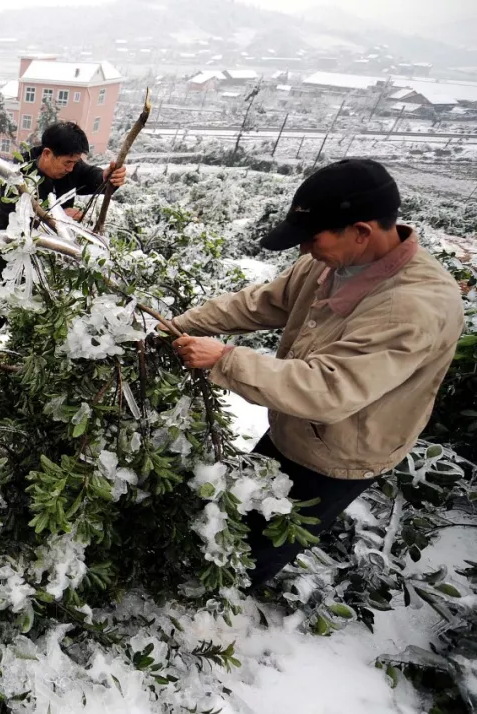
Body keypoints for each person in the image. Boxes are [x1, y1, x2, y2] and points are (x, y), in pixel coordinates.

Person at [168, 158, 464, 588]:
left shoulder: (413, 306)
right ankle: (211, 571)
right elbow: (262, 302)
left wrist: (225, 360)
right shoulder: (330, 262)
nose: (304, 249)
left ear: (361, 232)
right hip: (291, 426)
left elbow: (329, 389)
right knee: (243, 510)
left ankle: (224, 597)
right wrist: (183, 324)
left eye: (312, 238)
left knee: (260, 546)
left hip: (339, 457)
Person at [0, 121, 127, 335]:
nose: (71, 168)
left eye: (75, 163)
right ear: (46, 154)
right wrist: (57, 218)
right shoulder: (17, 176)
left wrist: (108, 178)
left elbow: (93, 177)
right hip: (16, 257)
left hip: (54, 260)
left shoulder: (71, 167)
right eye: (67, 163)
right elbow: (13, 223)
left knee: (45, 316)